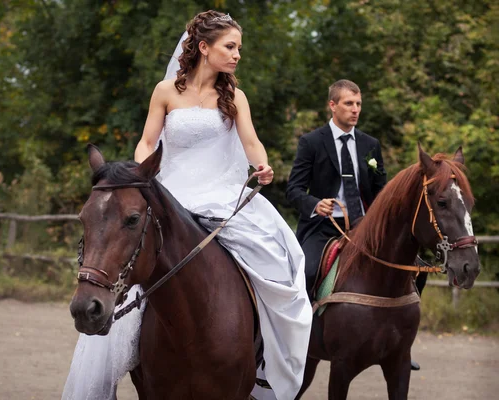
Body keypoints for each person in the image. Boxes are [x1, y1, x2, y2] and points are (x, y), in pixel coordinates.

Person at [63, 10, 312, 400]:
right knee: (131, 266)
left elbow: (250, 140)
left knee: (280, 262)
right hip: (170, 190)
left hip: (221, 191)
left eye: (239, 48)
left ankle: (264, 362)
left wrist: (261, 163)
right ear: (202, 47)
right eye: (230, 47)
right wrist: (143, 170)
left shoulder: (235, 98)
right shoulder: (165, 92)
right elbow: (148, 142)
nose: (236, 55)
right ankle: (116, 355)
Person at [285, 79, 387, 297]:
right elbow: (293, 190)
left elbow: (381, 190)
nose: (355, 110)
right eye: (349, 103)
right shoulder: (311, 142)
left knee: (412, 268)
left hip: (365, 225)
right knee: (307, 273)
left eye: (358, 104)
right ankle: (306, 326)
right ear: (333, 105)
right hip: (323, 226)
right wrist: (316, 204)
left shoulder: (371, 145)